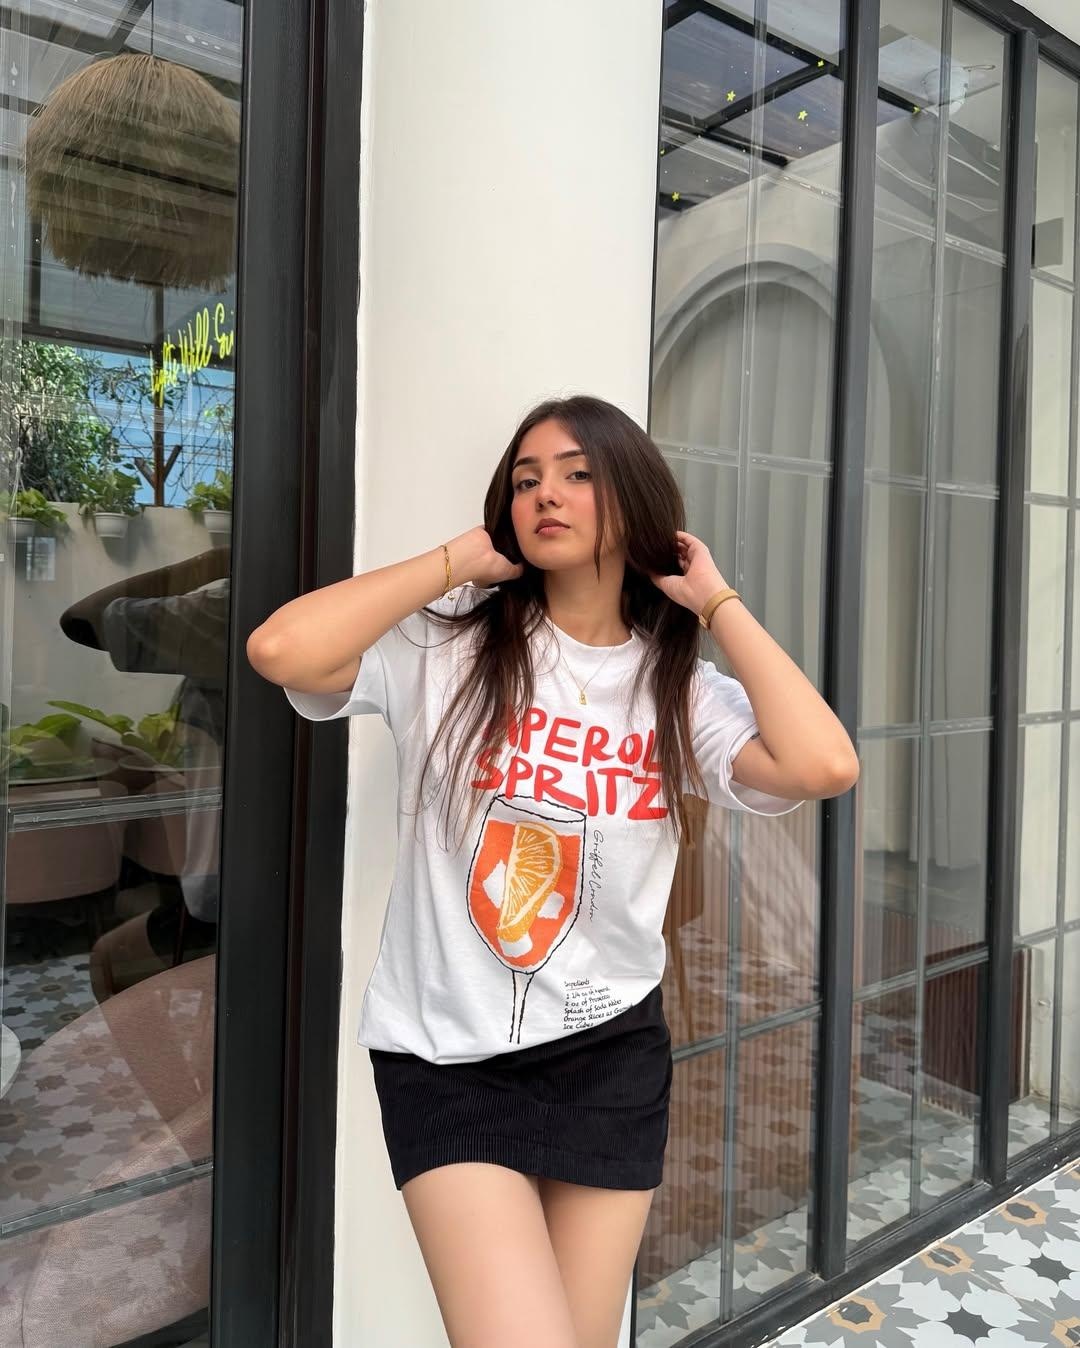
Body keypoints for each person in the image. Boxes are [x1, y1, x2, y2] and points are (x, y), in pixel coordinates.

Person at [246, 394, 859, 1348]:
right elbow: (280, 649)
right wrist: (456, 561)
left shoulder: (677, 688)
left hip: (609, 1053)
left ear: (633, 499)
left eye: (578, 474)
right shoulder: (448, 642)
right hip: (447, 1053)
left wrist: (715, 602)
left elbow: (824, 764)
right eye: (527, 479)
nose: (546, 494)